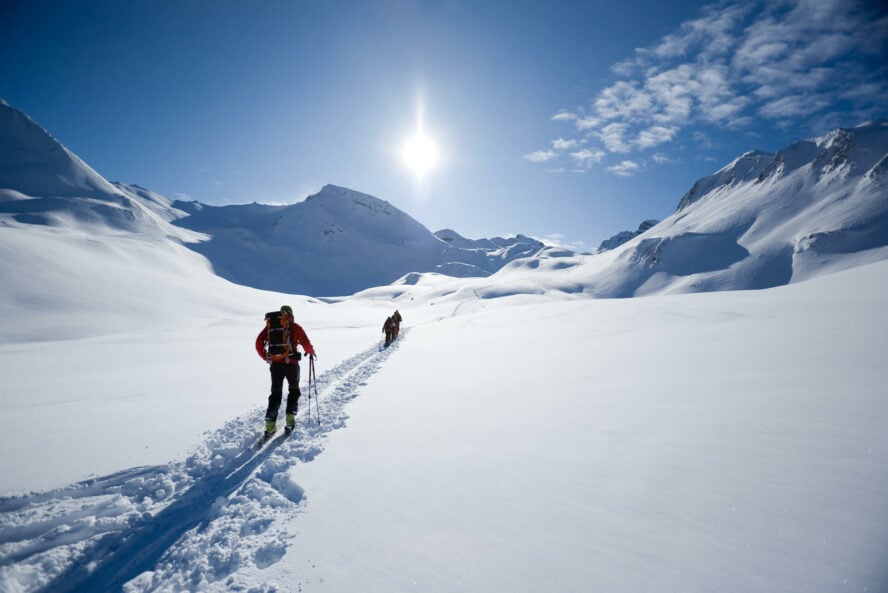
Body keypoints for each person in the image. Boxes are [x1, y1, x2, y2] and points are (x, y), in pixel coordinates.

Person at [255, 305, 316, 437]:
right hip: (291, 364)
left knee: (275, 393)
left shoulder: (270, 326)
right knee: (294, 390)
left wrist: (267, 357)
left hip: (275, 365)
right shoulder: (295, 327)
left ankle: (270, 424)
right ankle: (289, 418)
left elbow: (258, 343)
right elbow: (305, 342)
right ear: (291, 314)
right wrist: (311, 352)